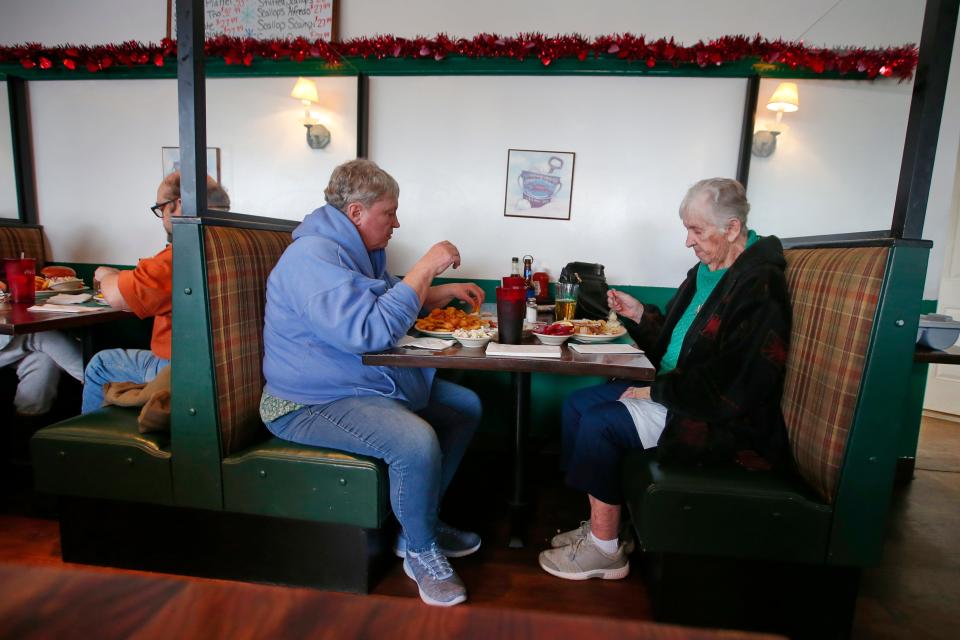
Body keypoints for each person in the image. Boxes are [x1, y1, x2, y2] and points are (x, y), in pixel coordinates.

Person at [539, 177, 792, 581]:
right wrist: (640, 315)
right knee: (575, 406)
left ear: (730, 229)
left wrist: (657, 389)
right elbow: (678, 342)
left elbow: (739, 382)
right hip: (676, 389)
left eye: (696, 231)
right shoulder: (706, 271)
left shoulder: (759, 283)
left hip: (716, 417)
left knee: (600, 423)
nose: (688, 242)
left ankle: (606, 553)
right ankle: (606, 526)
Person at [261, 159, 485, 607]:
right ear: (357, 213)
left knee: (465, 407)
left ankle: (418, 523)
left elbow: (384, 297)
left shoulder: (352, 250)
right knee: (415, 441)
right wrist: (425, 268)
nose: (396, 223)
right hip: (306, 402)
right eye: (390, 212)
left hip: (353, 383)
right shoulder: (312, 257)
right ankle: (420, 552)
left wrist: (434, 292)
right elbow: (368, 331)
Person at [81, 172, 230, 414]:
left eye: (161, 208)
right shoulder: (228, 243)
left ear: (179, 204)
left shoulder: (182, 254)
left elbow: (117, 297)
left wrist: (107, 275)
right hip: (225, 364)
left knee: (100, 364)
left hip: (182, 367)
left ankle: (89, 443)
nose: (161, 217)